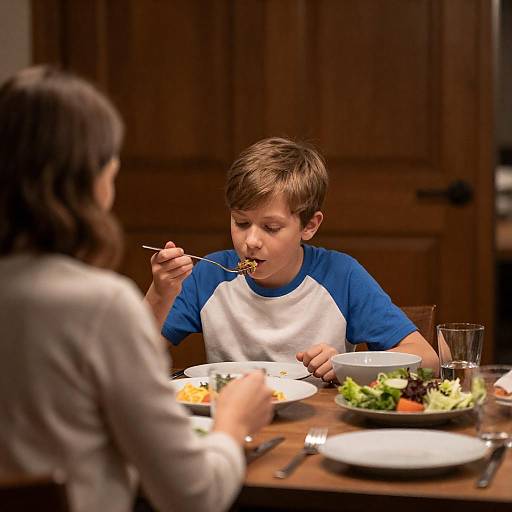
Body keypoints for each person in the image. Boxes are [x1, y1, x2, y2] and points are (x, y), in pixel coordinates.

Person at [0, 66, 273, 512]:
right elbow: (193, 496)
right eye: (110, 159)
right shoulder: (99, 304)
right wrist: (232, 423)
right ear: (89, 179)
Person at [144, 137, 440, 382]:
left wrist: (348, 364)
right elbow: (131, 357)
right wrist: (160, 293)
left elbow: (429, 360)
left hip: (316, 428)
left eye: (271, 228)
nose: (251, 241)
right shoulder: (209, 275)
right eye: (241, 222)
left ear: (309, 226)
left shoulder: (341, 276)